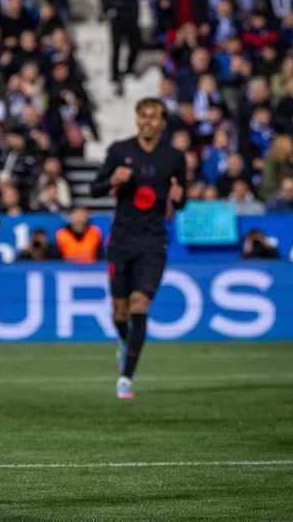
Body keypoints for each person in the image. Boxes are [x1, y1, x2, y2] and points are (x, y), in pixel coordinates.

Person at [89, 99, 186, 400]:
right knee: (120, 312)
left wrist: (180, 197)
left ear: (162, 123)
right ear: (137, 119)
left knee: (140, 305)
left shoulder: (174, 157)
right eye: (142, 115)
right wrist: (112, 179)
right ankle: (124, 340)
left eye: (152, 117)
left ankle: (126, 378)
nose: (146, 121)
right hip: (120, 241)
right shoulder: (121, 151)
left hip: (153, 242)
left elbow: (181, 200)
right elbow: (95, 188)